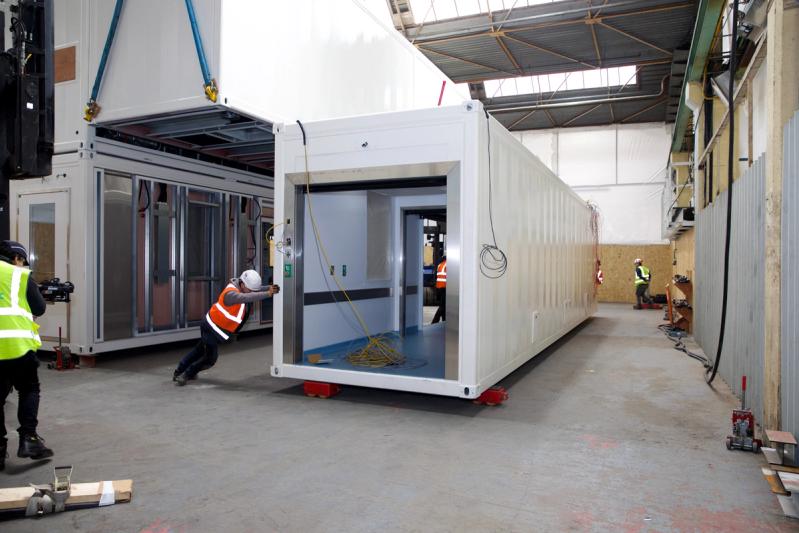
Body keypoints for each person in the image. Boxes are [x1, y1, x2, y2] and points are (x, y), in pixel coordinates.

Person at [173, 270, 279, 386]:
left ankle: (179, 371)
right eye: (250, 290)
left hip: (215, 329)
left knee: (199, 351)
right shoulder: (231, 294)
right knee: (210, 358)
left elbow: (254, 291)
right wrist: (267, 293)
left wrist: (269, 288)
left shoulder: (242, 287)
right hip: (211, 328)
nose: (251, 292)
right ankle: (187, 374)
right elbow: (246, 297)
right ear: (242, 284)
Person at [0, 240, 53, 471]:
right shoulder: (19, 275)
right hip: (16, 345)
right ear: (17, 258)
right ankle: (29, 440)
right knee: (29, 388)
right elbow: (39, 307)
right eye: (22, 261)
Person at [432, 257, 446, 324]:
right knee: (443, 306)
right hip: (445, 287)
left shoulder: (440, 265)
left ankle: (444, 320)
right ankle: (434, 321)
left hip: (439, 287)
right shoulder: (447, 265)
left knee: (444, 305)